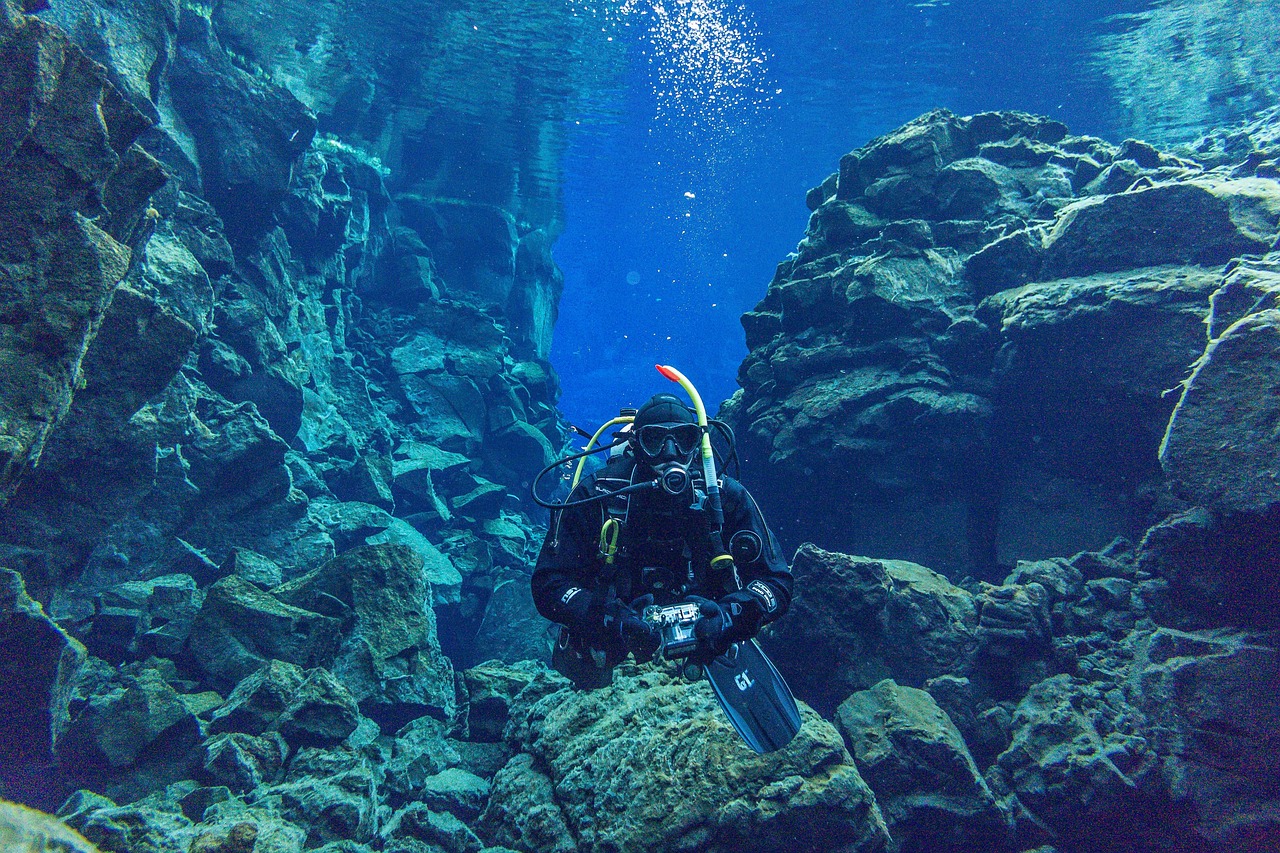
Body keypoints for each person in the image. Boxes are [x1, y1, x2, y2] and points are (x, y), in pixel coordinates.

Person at [532, 392, 792, 689]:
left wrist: (731, 615)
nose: (670, 453)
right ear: (636, 445)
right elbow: (549, 584)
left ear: (698, 445)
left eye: (684, 439)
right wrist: (603, 616)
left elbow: (776, 583)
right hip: (611, 652)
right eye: (654, 440)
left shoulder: (726, 499)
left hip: (708, 644)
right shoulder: (598, 496)